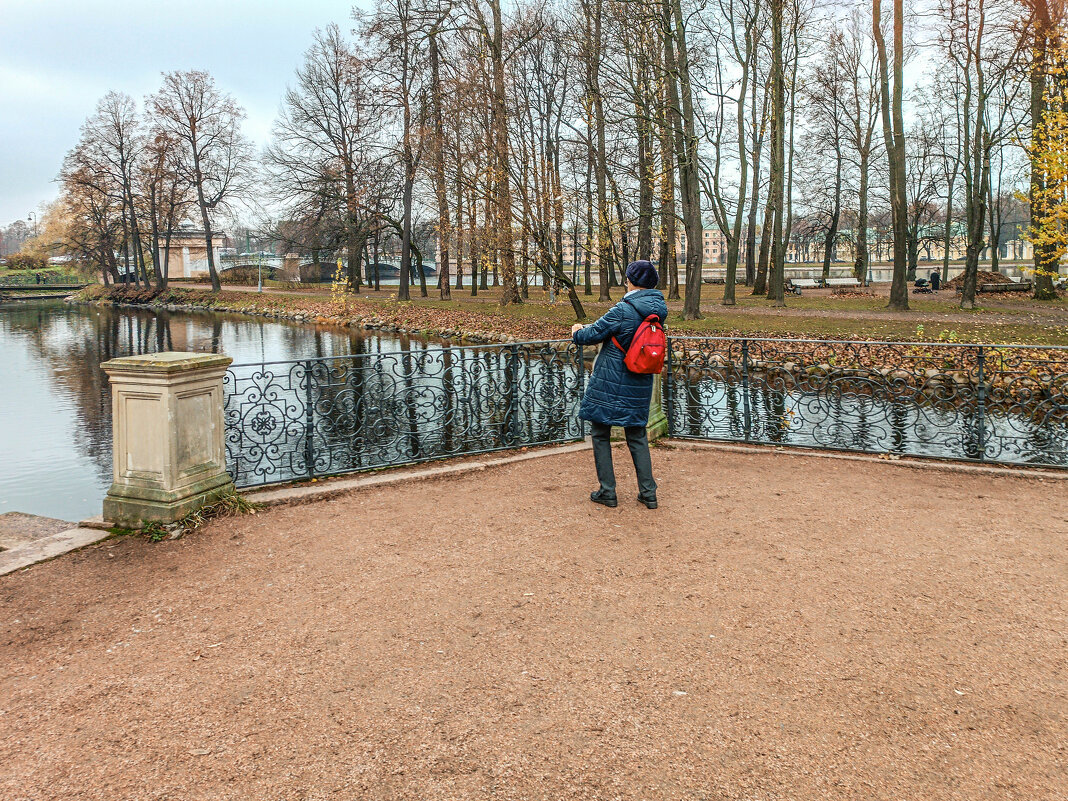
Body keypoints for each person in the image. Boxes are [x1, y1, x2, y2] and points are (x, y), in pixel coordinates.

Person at [571, 260, 668, 510]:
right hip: (640, 381)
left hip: (610, 382)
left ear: (631, 281)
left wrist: (576, 330)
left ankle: (607, 491)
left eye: (627, 278)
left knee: (600, 433)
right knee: (637, 435)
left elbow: (591, 335)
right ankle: (649, 493)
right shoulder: (657, 310)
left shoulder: (624, 309)